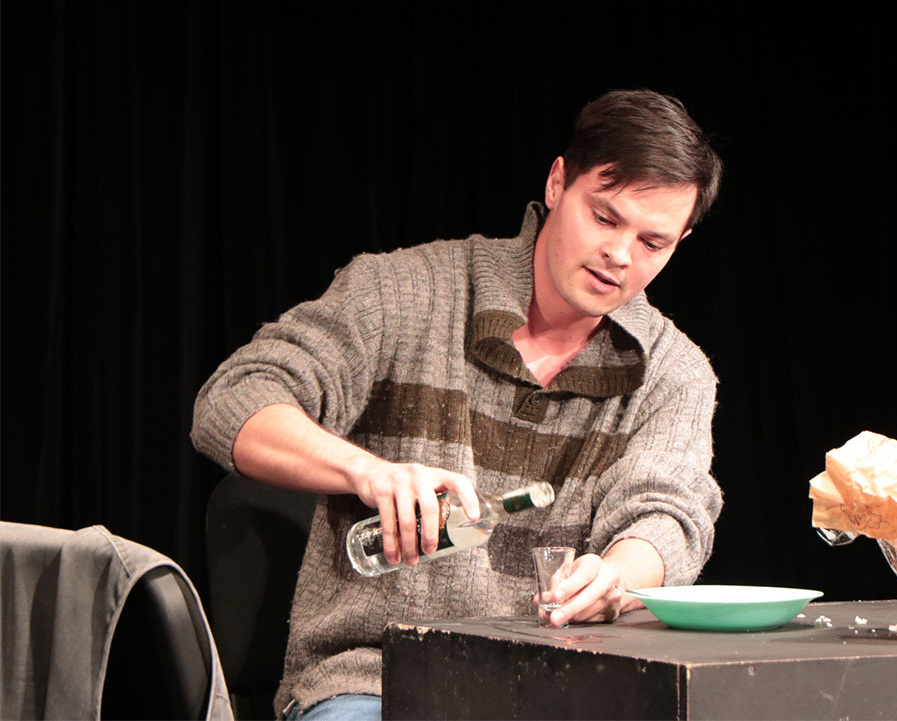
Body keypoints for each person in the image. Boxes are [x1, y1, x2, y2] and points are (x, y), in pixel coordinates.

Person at [191, 89, 724, 720]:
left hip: (565, 689)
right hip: (378, 681)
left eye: (653, 243)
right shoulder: (403, 292)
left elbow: (668, 513)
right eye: (605, 218)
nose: (621, 255)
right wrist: (366, 471)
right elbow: (237, 396)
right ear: (558, 183)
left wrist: (618, 576)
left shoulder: (673, 371)